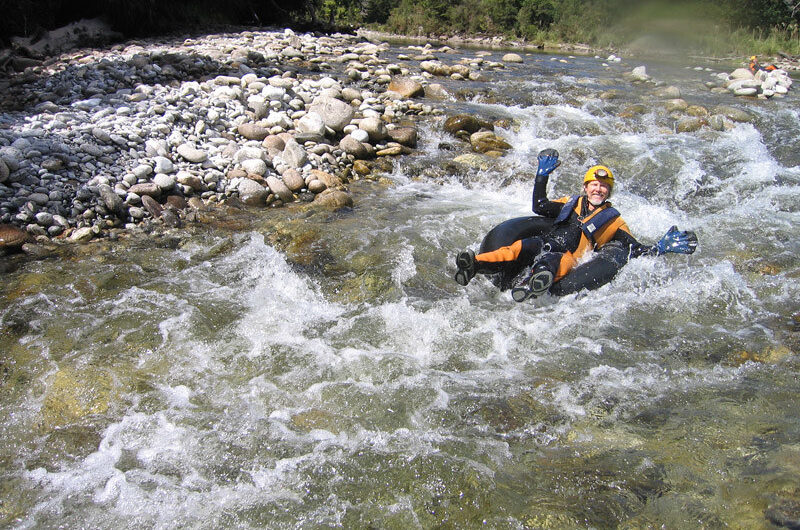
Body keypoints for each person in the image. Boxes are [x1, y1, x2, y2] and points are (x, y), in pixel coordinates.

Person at [453, 149, 698, 301]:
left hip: (568, 255)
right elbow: (539, 206)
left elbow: (634, 249)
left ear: (608, 191)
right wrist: (542, 176)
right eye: (594, 184)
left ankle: (532, 286)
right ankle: (475, 264)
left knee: (552, 263)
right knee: (517, 248)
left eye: (603, 187)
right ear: (585, 187)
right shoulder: (569, 203)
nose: (598, 189)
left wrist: (661, 247)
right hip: (545, 242)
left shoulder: (614, 221)